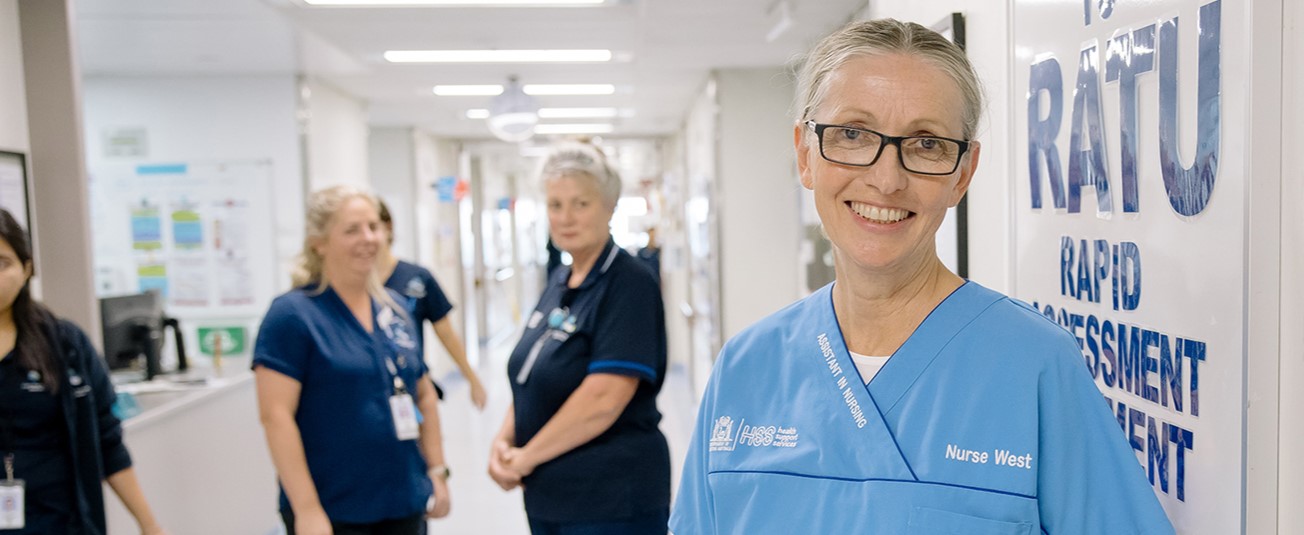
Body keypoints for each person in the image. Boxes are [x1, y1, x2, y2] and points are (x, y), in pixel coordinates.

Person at [669, 19, 1174, 534]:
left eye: (926, 144)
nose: (886, 179)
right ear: (805, 154)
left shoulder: (1036, 365)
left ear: (963, 174)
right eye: (852, 134)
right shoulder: (746, 368)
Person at [488, 142, 670, 535]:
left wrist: (524, 458)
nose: (565, 217)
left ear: (609, 207)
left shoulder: (629, 283)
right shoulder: (561, 279)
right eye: (555, 205)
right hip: (551, 494)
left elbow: (603, 399)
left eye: (580, 204)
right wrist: (505, 440)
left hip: (609, 498)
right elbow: (532, 372)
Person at [253, 186, 451, 535]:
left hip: (404, 500)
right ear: (319, 242)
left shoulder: (395, 309)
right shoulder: (292, 316)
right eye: (352, 230)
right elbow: (276, 417)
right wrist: (308, 509)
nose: (369, 238)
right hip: (335, 509)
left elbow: (423, 394)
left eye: (374, 226)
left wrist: (437, 471)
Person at [0, 209, 167, 535]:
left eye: (2, 263)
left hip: (61, 521)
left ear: (27, 268)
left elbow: (107, 439)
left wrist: (150, 525)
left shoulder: (64, 344)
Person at [375, 199, 487, 410]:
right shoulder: (353, 285)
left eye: (373, 226)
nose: (366, 237)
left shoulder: (417, 278)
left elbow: (446, 333)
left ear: (388, 227)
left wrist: (471, 377)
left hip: (411, 386)